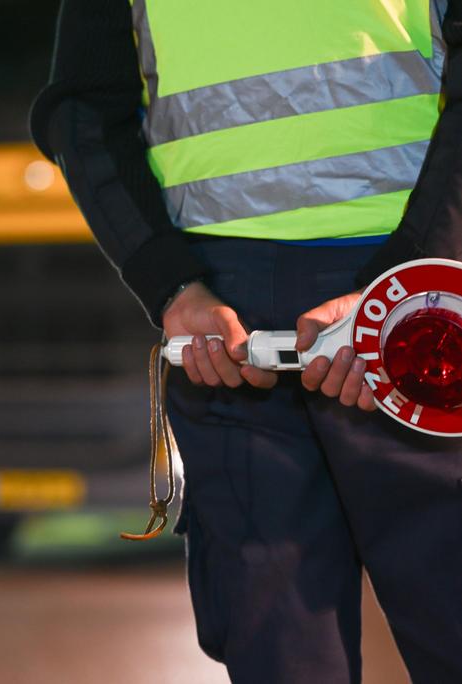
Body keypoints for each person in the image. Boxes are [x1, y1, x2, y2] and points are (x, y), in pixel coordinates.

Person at [30, 1, 462, 681]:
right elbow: (83, 107)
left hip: (365, 301)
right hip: (353, 305)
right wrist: (174, 287)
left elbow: (83, 108)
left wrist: (174, 284)